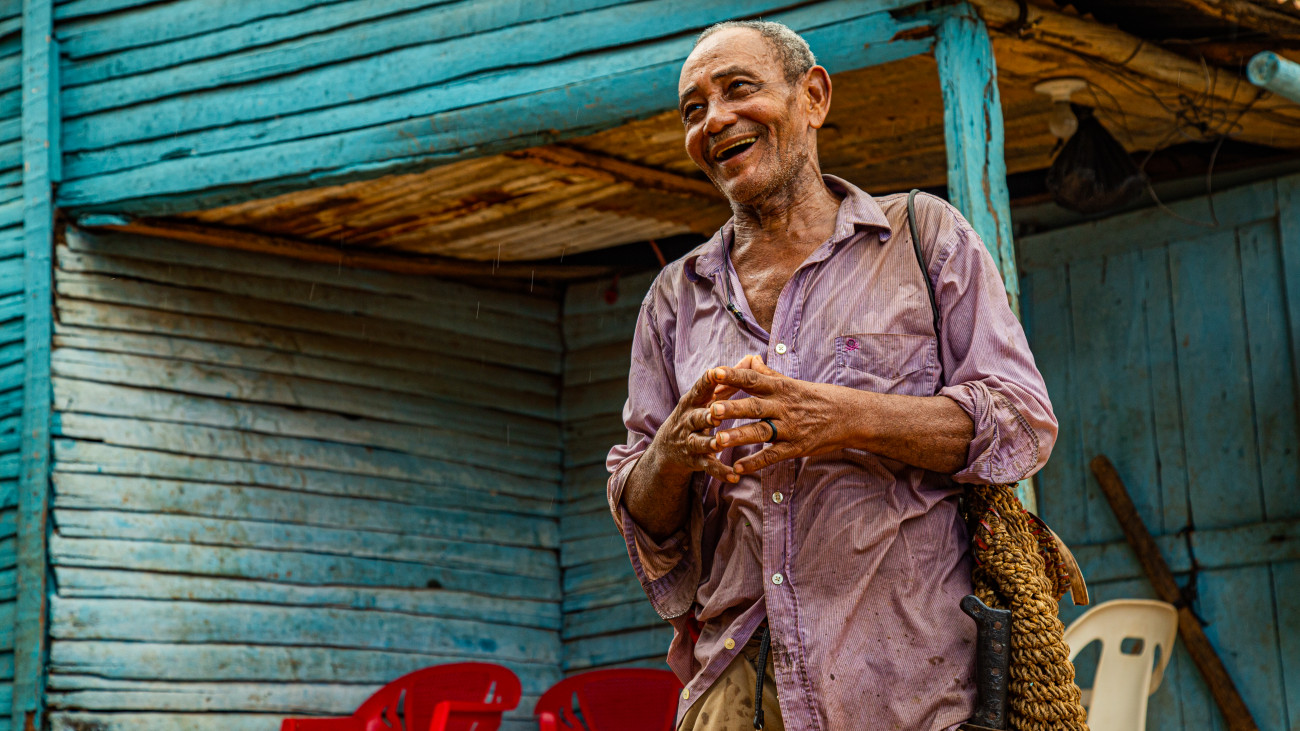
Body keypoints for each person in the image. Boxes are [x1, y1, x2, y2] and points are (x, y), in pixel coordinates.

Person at [605, 19, 1057, 731]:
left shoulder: (922, 237)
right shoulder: (674, 299)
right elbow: (642, 510)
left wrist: (840, 416)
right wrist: (673, 450)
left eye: (738, 88)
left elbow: (1020, 422)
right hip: (739, 688)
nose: (714, 120)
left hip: (911, 688)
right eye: (693, 110)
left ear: (813, 97)